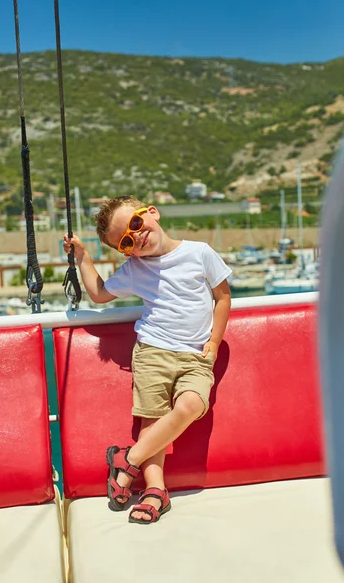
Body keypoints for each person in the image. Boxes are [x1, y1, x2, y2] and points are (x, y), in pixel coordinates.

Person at [63, 195, 232, 524]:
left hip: (196, 355)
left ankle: (128, 460)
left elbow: (222, 297)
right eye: (127, 241)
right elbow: (98, 293)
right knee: (152, 420)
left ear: (151, 213)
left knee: (191, 405)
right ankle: (156, 489)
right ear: (126, 251)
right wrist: (82, 256)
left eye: (136, 224)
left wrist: (214, 340)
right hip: (152, 351)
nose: (136, 236)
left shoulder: (200, 253)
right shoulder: (134, 270)